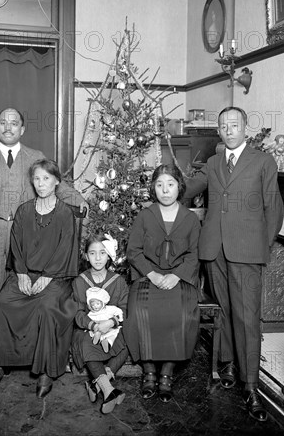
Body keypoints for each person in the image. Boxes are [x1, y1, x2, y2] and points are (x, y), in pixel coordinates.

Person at [194, 106, 284, 422]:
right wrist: (165, 186)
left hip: (247, 251)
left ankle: (251, 386)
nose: (229, 129)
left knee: (248, 318)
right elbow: (190, 188)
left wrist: (262, 245)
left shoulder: (263, 162)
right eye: (223, 126)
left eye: (235, 124)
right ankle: (228, 363)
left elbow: (275, 210)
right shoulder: (213, 162)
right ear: (218, 131)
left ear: (245, 128)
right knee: (226, 310)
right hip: (214, 249)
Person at [0, 158, 80, 398]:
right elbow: (15, 245)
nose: (41, 184)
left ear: (57, 181)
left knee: (46, 307)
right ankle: (0, 362)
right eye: (37, 179)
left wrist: (47, 276)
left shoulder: (65, 213)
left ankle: (46, 369)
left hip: (56, 277)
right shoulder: (24, 210)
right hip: (25, 273)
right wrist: (22, 273)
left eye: (46, 178)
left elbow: (66, 248)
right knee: (3, 303)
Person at [0, 108, 86, 325]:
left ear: (22, 129)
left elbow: (56, 183)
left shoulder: (35, 156)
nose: (8, 127)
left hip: (28, 233)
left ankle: (23, 337)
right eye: (3, 123)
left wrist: (79, 200)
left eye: (13, 123)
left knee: (26, 289)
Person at [124, 164, 201, 403]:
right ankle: (149, 371)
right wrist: (153, 275)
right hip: (148, 276)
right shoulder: (145, 216)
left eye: (170, 184)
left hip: (179, 278)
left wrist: (176, 275)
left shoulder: (190, 219)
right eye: (159, 185)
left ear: (179, 187)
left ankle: (167, 372)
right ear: (153, 188)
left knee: (180, 312)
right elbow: (133, 251)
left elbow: (194, 253)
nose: (165, 190)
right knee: (139, 311)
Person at [72, 233, 129, 414]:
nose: (98, 258)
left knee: (129, 339)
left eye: (102, 253)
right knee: (85, 340)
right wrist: (95, 326)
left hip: (112, 328)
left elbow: (125, 310)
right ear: (86, 256)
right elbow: (78, 312)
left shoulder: (118, 281)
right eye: (93, 253)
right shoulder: (80, 281)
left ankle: (96, 384)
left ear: (109, 255)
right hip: (90, 329)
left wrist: (111, 322)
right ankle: (108, 390)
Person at [85, 286, 123, 353]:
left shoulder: (110, 309)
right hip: (98, 328)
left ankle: (107, 343)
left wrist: (119, 318)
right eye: (92, 305)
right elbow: (88, 321)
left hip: (110, 328)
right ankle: (97, 338)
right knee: (94, 331)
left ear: (103, 302)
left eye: (97, 304)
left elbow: (119, 311)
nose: (95, 306)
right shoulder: (91, 314)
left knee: (114, 333)